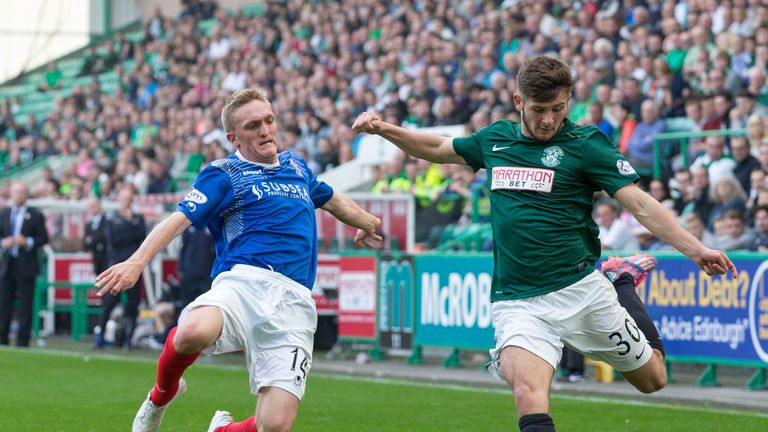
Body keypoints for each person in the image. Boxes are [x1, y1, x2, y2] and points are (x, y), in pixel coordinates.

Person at [352, 56, 737, 432]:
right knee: (528, 393)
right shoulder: (495, 139)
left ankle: (621, 283)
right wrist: (386, 129)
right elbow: (437, 149)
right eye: (540, 109)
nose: (549, 119)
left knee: (653, 379)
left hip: (583, 291)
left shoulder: (586, 144)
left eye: (559, 107)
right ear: (519, 101)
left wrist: (695, 249)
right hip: (518, 302)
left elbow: (640, 203)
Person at [96, 88, 382, 432]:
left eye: (269, 121)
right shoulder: (223, 173)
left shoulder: (296, 166)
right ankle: (160, 397)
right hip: (243, 283)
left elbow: (334, 200)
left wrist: (368, 223)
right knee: (192, 332)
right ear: (234, 137)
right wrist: (137, 262)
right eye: (252, 126)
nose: (265, 131)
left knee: (274, 426)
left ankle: (221, 431)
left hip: (294, 302)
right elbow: (178, 219)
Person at [95, 186, 146, 350]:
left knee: (133, 304)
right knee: (109, 303)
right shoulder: (111, 218)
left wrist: (129, 226)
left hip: (133, 267)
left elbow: (142, 238)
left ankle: (127, 340)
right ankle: (100, 338)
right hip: (116, 266)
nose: (126, 202)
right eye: (124, 198)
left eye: (129, 199)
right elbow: (115, 239)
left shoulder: (138, 218)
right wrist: (130, 226)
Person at [0, 181, 48, 347]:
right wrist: (3, 243)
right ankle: (2, 339)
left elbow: (44, 238)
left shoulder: (35, 215)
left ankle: (22, 341)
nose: (18, 195)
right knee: (4, 303)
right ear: (11, 194)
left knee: (26, 305)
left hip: (26, 266)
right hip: (7, 265)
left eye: (21, 192)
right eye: (15, 192)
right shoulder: (4, 214)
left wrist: (27, 242)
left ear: (26, 194)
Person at [83, 197, 108, 277]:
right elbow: (85, 242)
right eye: (90, 207)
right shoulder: (89, 223)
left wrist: (92, 240)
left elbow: (104, 237)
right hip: (96, 258)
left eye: (94, 206)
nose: (92, 209)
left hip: (106, 257)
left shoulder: (107, 220)